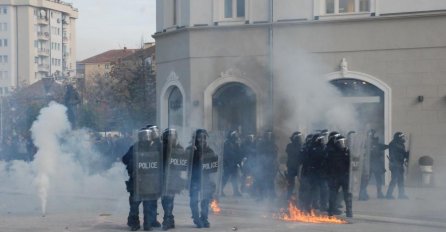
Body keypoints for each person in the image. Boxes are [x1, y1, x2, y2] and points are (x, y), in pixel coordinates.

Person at [122, 125, 162, 231]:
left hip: (149, 182)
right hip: (137, 181)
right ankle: (136, 223)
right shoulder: (135, 147)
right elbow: (125, 159)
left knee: (147, 204)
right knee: (136, 205)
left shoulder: (155, 148)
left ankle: (146, 224)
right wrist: (132, 164)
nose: (145, 139)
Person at [187, 129, 218, 228]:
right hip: (194, 179)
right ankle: (196, 219)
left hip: (206, 179)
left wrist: (213, 182)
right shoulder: (190, 150)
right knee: (194, 201)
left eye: (204, 138)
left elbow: (213, 167)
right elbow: (186, 164)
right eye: (199, 138)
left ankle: (204, 218)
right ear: (195, 139)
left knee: (205, 200)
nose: (202, 140)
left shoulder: (209, 151)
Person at [161, 128, 187, 230]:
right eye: (169, 136)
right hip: (163, 177)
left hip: (174, 178)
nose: (172, 138)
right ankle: (170, 219)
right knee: (165, 200)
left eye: (173, 136)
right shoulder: (162, 147)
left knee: (169, 200)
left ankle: (167, 220)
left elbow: (184, 163)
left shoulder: (180, 148)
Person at [327, 135, 353, 218]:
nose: (343, 144)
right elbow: (329, 165)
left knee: (347, 194)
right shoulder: (332, 152)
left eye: (344, 142)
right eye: (341, 142)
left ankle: (349, 211)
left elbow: (351, 163)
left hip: (345, 176)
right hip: (335, 177)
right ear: (337, 143)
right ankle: (331, 211)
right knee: (333, 194)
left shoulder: (347, 151)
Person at [386, 132, 409, 199]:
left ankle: (401, 195)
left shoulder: (401, 145)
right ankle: (389, 195)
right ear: (399, 137)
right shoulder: (393, 144)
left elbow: (403, 154)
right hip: (395, 165)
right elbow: (394, 155)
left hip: (400, 164)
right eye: (402, 137)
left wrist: (407, 154)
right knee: (394, 180)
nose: (403, 138)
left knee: (401, 180)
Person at [256, 131, 278, 201]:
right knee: (261, 181)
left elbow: (275, 153)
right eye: (268, 135)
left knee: (270, 181)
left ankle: (271, 196)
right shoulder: (261, 144)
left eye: (270, 135)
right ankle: (261, 196)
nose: (269, 137)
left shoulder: (272, 144)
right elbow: (259, 153)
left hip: (270, 166)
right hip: (263, 165)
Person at [221, 130, 243, 197]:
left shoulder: (235, 143)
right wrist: (235, 156)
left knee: (234, 177)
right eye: (235, 134)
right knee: (225, 178)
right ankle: (220, 190)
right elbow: (227, 153)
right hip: (228, 163)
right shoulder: (227, 143)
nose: (236, 136)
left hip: (234, 163)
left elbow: (238, 152)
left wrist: (238, 159)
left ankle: (236, 191)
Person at [285, 131, 303, 201]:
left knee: (301, 184)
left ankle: (300, 199)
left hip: (299, 167)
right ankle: (288, 198)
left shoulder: (301, 145)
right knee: (291, 184)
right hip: (292, 167)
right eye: (298, 138)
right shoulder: (290, 146)